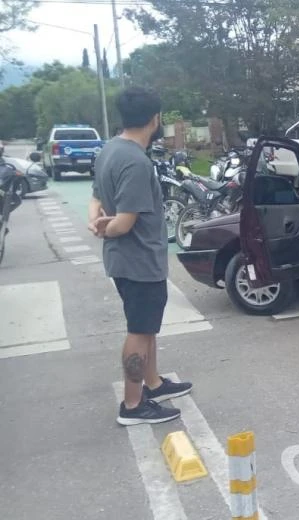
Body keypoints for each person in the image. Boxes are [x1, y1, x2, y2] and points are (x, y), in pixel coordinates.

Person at [88, 86, 192, 426]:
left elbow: (95, 197)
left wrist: (96, 220)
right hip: (138, 260)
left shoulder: (109, 150)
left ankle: (154, 383)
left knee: (146, 328)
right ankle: (133, 405)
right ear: (155, 119)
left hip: (129, 260)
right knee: (139, 329)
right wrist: (106, 226)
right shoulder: (134, 161)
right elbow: (124, 222)